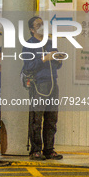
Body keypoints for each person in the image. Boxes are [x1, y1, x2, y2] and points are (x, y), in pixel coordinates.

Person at [22, 17, 64, 161]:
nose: (42, 27)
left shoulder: (51, 43)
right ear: (32, 30)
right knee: (36, 118)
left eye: (43, 24)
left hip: (53, 82)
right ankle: (35, 150)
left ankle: (49, 149)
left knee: (52, 118)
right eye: (38, 25)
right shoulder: (28, 45)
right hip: (38, 84)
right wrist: (44, 59)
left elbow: (58, 64)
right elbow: (28, 66)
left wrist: (58, 60)